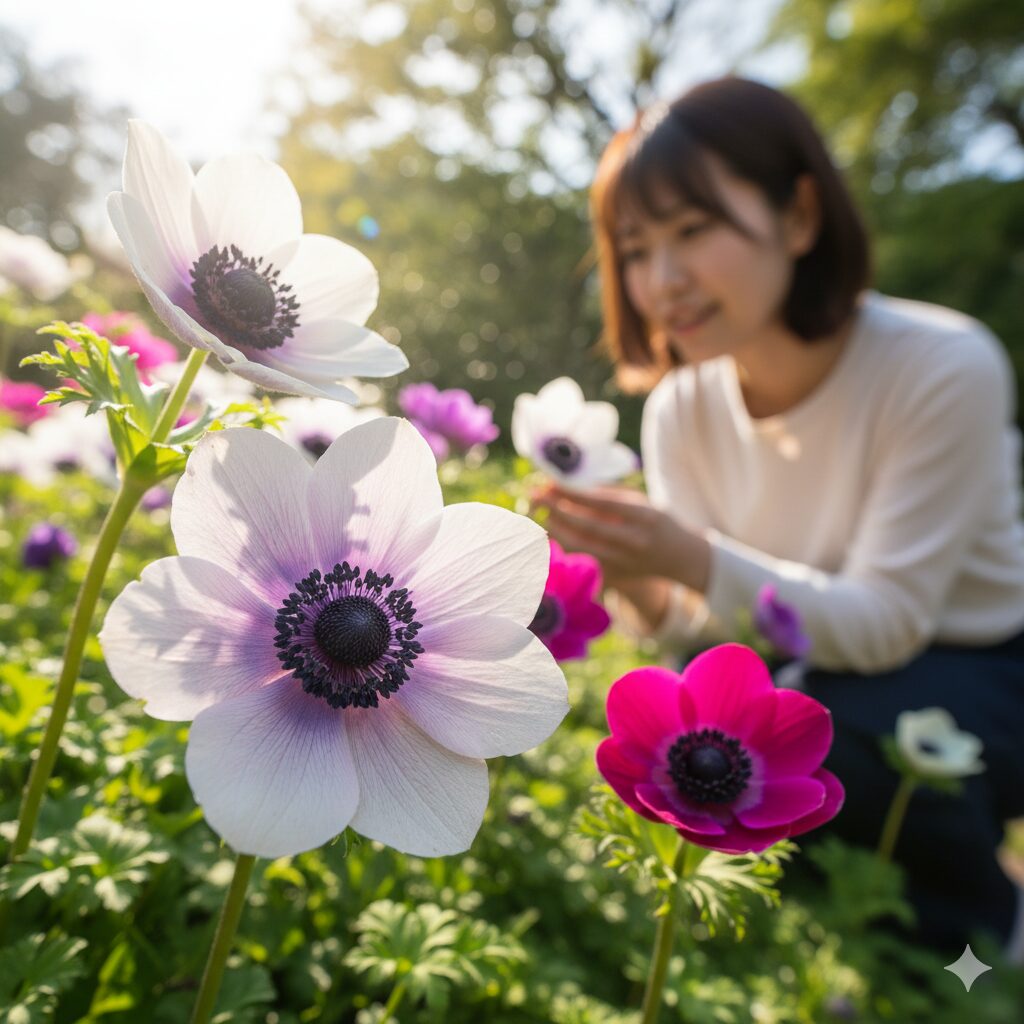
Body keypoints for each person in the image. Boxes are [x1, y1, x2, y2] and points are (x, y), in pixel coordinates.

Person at [536, 76, 1024, 957]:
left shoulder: (943, 366)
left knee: (838, 742)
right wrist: (644, 573)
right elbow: (704, 633)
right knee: (725, 749)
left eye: (693, 231)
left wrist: (692, 555)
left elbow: (887, 623)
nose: (662, 280)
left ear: (799, 217)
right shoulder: (682, 405)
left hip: (989, 660)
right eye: (636, 248)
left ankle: (983, 951)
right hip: (828, 664)